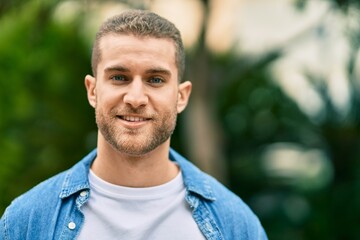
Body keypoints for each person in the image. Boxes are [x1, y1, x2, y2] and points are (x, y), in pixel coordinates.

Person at [0, 9, 267, 240]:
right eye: (119, 77)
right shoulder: (27, 221)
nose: (136, 98)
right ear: (92, 91)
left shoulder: (236, 224)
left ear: (181, 96)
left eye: (156, 80)